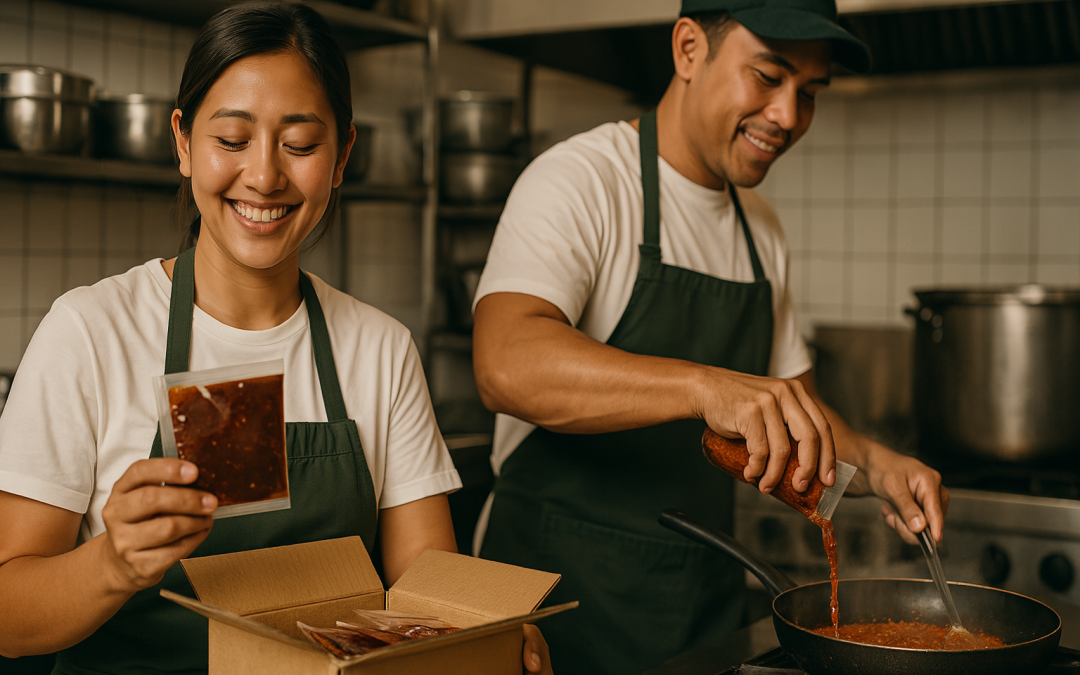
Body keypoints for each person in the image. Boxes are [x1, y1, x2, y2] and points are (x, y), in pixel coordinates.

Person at [0, 4, 550, 673]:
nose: (264, 176)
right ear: (183, 143)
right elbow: (8, 618)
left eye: (301, 145)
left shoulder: (380, 348)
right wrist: (111, 563)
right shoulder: (90, 332)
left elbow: (421, 587)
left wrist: (481, 629)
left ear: (343, 156)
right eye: (232, 139)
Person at [471, 0, 949, 673]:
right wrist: (704, 387)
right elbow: (504, 363)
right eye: (768, 77)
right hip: (554, 612)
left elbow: (797, 413)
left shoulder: (761, 230)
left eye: (809, 92)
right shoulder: (581, 181)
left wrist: (876, 464)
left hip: (700, 612)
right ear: (689, 49)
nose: (788, 115)